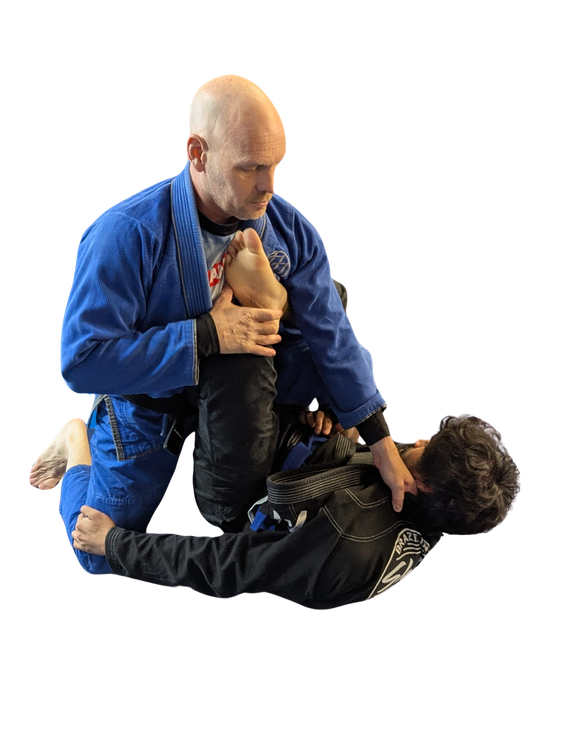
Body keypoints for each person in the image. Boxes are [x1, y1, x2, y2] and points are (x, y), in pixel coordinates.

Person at [44, 73, 416, 572]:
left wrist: (383, 445)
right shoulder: (126, 234)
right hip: (154, 402)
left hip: (244, 383)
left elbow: (333, 335)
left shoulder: (287, 226)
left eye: (276, 164)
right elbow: (81, 362)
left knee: (336, 326)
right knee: (97, 554)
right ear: (196, 152)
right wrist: (205, 336)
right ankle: (77, 442)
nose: (269, 184)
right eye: (250, 168)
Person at [69, 411, 520, 609]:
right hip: (289, 452)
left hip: (240, 498)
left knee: (91, 555)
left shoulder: (347, 543)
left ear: (421, 486)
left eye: (425, 448)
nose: (418, 442)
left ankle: (74, 443)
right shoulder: (431, 505)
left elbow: (230, 566)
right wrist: (327, 413)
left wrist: (119, 545)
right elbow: (361, 458)